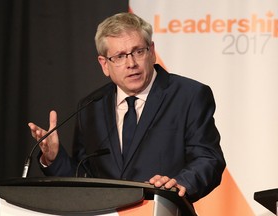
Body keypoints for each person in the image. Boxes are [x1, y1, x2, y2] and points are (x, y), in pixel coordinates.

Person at [28, 12, 226, 203]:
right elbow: (84, 180)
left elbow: (209, 159)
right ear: (104, 64)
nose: (131, 63)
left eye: (138, 51)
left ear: (152, 51)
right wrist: (54, 158)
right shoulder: (91, 107)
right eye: (120, 56)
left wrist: (179, 184)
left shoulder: (188, 95)